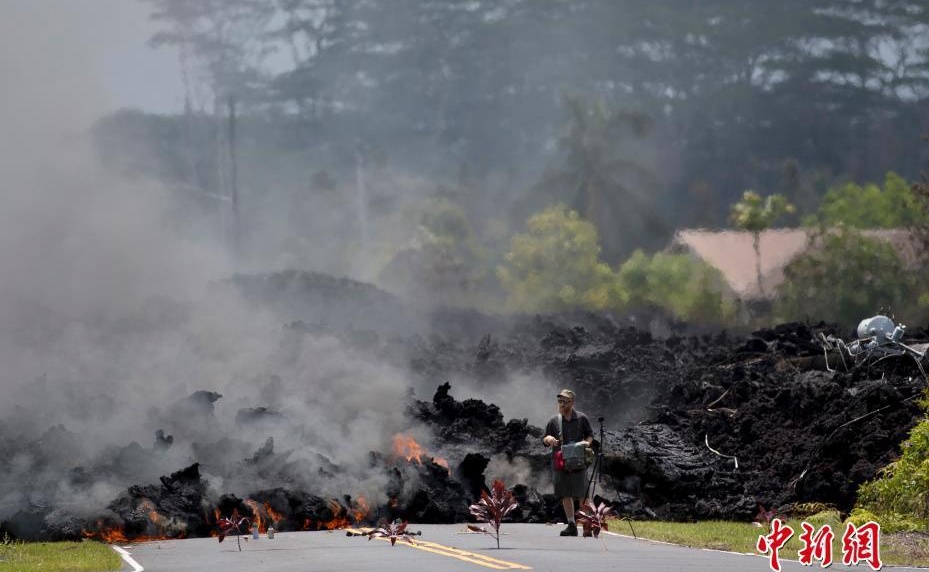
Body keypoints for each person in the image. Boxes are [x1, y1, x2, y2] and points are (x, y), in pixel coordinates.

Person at [542, 389, 593, 536]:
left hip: (578, 460)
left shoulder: (582, 418)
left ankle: (587, 523)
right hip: (561, 461)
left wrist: (586, 443)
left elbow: (590, 435)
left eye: (565, 401)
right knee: (565, 493)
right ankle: (571, 524)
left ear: (572, 402)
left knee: (582, 493)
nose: (561, 403)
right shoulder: (554, 421)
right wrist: (549, 439)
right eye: (560, 401)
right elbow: (545, 439)